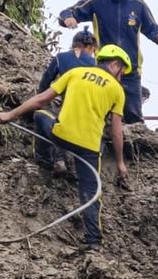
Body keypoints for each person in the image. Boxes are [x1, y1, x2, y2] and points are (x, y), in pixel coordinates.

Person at [0, 45, 130, 252]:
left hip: (61, 136)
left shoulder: (75, 73)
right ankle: (93, 240)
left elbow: (40, 100)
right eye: (122, 72)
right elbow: (116, 132)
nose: (121, 77)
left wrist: (9, 115)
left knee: (41, 115)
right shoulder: (117, 90)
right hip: (89, 148)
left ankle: (45, 161)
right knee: (91, 192)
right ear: (114, 65)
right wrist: (120, 163)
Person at [57, 0, 158, 124]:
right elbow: (67, 13)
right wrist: (68, 18)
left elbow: (152, 28)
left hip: (130, 70)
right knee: (100, 110)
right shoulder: (96, 2)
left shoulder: (139, 5)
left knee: (133, 117)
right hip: (105, 68)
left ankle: (132, 135)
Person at [37, 30, 98, 176]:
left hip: (67, 108)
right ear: (90, 47)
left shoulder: (61, 58)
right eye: (93, 50)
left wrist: (41, 97)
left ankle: (47, 161)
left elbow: (45, 82)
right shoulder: (95, 64)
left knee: (41, 116)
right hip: (89, 114)